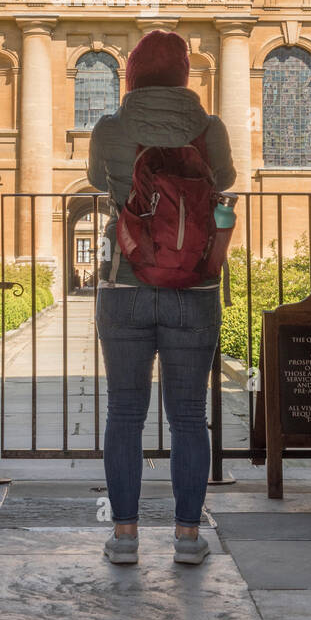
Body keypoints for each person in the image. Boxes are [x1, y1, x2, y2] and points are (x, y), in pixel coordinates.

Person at [88, 29, 235, 566]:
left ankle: (124, 537)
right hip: (194, 288)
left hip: (124, 283)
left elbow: (96, 180)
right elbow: (224, 180)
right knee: (189, 416)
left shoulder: (110, 127)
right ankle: (188, 538)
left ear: (132, 75)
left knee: (125, 413)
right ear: (183, 75)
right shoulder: (210, 127)